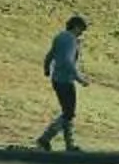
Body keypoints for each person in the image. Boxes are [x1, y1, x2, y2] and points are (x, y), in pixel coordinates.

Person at [36, 14, 89, 152]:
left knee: (67, 112)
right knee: (69, 113)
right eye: (81, 29)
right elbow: (68, 61)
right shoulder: (71, 40)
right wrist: (79, 78)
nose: (81, 33)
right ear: (76, 26)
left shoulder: (59, 36)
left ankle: (69, 144)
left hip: (57, 78)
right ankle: (45, 138)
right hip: (66, 80)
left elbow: (50, 54)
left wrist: (47, 68)